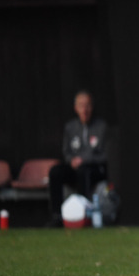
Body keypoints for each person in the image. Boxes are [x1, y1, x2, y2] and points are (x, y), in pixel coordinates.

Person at [48, 90, 108, 225]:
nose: (84, 109)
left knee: (83, 171)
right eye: (81, 105)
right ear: (76, 108)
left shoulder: (101, 127)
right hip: (75, 167)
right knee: (55, 172)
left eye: (87, 105)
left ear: (91, 107)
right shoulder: (70, 127)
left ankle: (82, 216)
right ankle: (57, 216)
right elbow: (66, 151)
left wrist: (84, 160)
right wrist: (71, 160)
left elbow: (104, 155)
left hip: (93, 169)